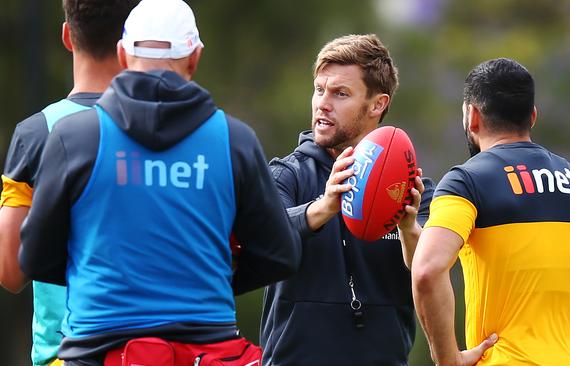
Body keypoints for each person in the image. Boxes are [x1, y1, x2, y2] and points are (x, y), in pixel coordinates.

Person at [18, 0, 301, 365]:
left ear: (122, 55)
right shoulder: (234, 140)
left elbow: (34, 258)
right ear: (195, 58)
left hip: (97, 352)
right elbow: (280, 255)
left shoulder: (72, 138)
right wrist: (208, 277)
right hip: (209, 348)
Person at [411, 58, 570, 366]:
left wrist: (448, 360)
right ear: (532, 116)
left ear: (473, 116)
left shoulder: (466, 182)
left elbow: (427, 269)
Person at [261, 34, 435, 365]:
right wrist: (324, 207)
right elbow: (265, 242)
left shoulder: (415, 191)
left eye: (340, 94)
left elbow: (428, 274)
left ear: (377, 104)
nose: (322, 103)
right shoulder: (286, 175)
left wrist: (408, 229)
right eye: (319, 89)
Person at [0, 1, 138, 365]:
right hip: (144, 351)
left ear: (67, 35)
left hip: (64, 355)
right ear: (130, 43)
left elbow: (10, 269)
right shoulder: (162, 129)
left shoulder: (35, 132)